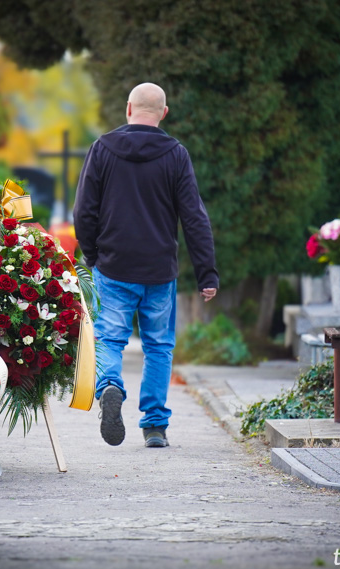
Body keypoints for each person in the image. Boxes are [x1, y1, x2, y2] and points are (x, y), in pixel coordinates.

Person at [73, 82, 219, 448]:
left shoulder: (102, 149)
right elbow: (194, 217)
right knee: (158, 346)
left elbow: (83, 210)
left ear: (128, 108)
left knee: (110, 338)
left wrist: (93, 256)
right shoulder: (176, 154)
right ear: (164, 113)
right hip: (159, 270)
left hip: (114, 265)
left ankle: (109, 386)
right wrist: (207, 272)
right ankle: (154, 426)